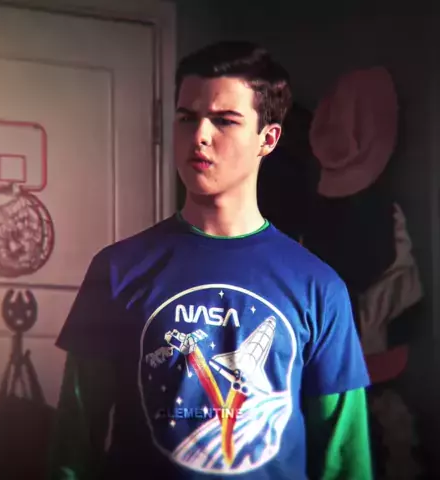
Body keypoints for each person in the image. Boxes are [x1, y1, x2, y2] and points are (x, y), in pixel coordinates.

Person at [47, 41, 373, 480]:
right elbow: (74, 442)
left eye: (224, 120)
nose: (199, 135)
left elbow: (345, 458)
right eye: (186, 117)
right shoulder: (117, 270)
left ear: (268, 139)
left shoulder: (319, 287)